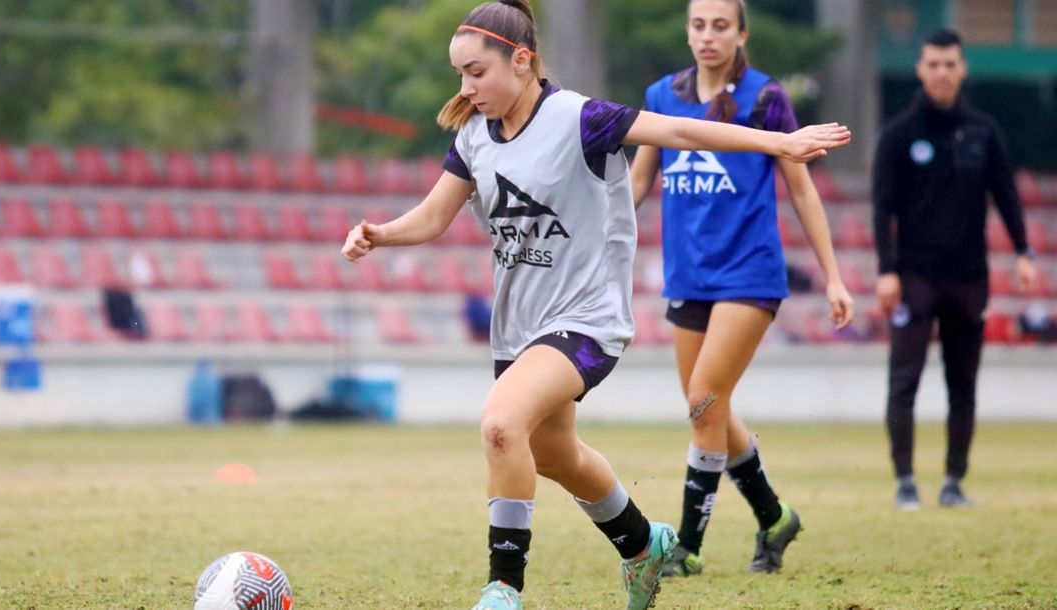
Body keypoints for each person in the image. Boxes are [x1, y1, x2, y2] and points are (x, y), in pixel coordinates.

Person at [341, 2, 849, 607]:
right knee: (554, 454)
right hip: (520, 330)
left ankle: (504, 588)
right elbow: (432, 217)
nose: (466, 87)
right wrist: (379, 232)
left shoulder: (581, 118)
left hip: (585, 321)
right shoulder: (474, 135)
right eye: (460, 75)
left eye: (477, 72)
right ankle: (643, 545)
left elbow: (681, 131)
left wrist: (780, 143)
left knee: (502, 425)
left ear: (522, 61)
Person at [629, 0, 854, 579]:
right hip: (688, 276)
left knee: (705, 396)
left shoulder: (765, 97)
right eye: (699, 25)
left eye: (721, 26)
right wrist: (598, 240)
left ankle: (687, 546)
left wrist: (832, 276)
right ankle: (774, 516)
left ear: (741, 33)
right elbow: (638, 181)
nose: (708, 36)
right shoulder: (661, 97)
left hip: (750, 275)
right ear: (687, 32)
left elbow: (802, 190)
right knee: (707, 409)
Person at [873, 29, 1037, 510]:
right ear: (921, 69)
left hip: (969, 278)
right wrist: (886, 269)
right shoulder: (898, 134)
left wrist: (1024, 250)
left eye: (951, 64)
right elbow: (883, 208)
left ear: (962, 69)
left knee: (962, 383)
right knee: (904, 380)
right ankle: (905, 480)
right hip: (914, 278)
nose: (942, 73)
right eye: (934, 64)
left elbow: (1005, 194)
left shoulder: (983, 131)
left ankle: (953, 481)